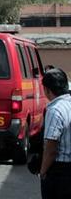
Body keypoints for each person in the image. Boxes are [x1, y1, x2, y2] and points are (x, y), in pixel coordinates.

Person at [39, 68, 71, 199]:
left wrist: (43, 171)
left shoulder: (54, 110)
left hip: (60, 171)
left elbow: (51, 147)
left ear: (47, 89)